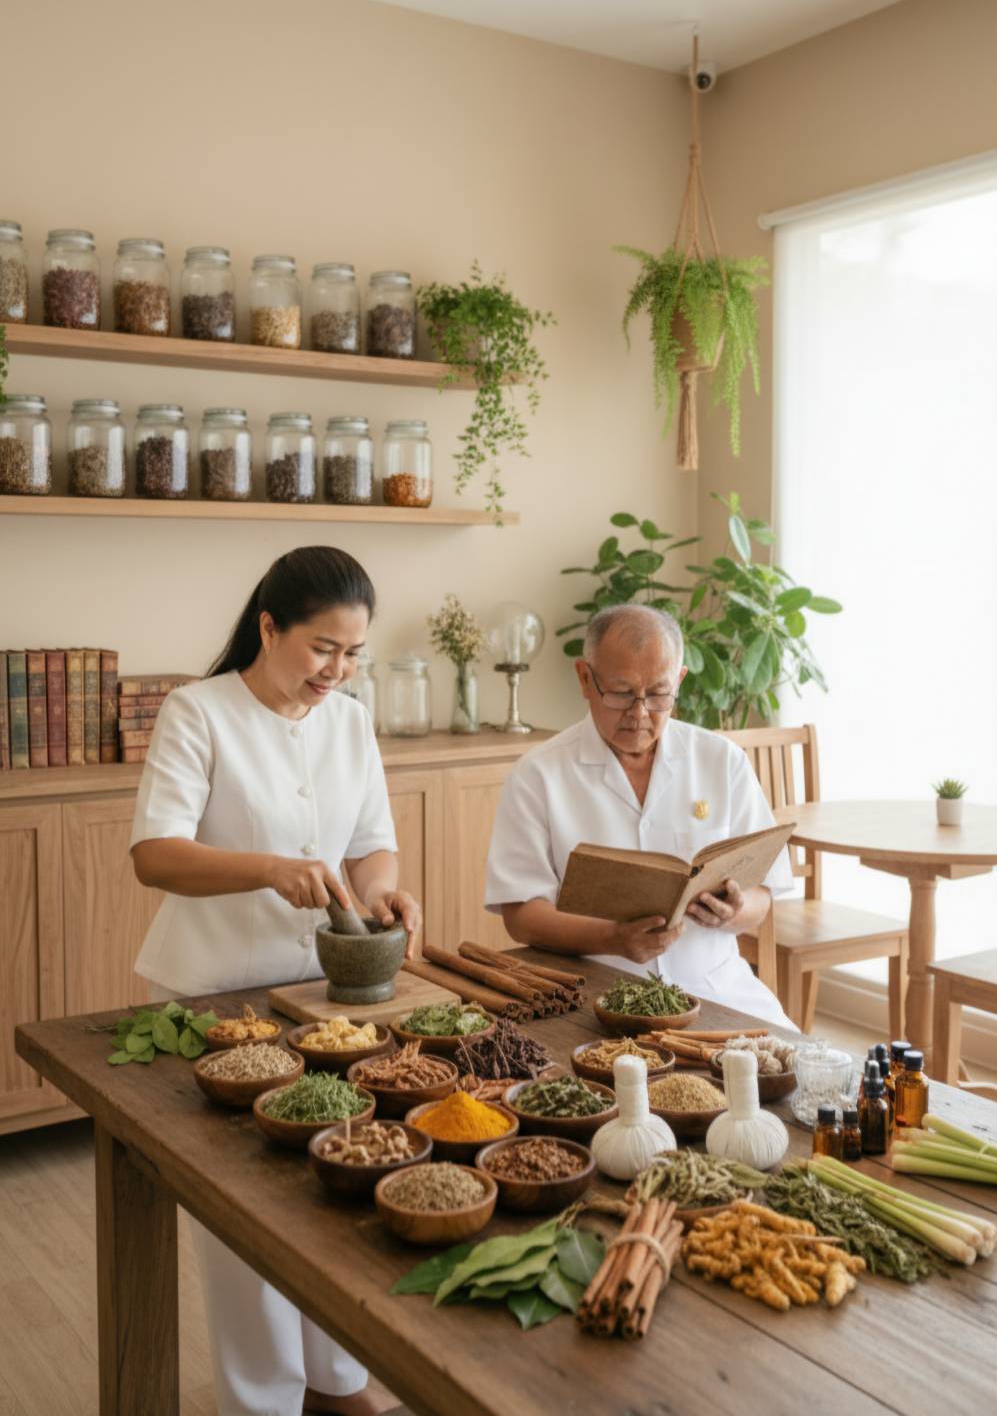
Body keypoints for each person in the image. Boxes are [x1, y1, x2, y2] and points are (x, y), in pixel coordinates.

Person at [131, 545, 418, 1416]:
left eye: (353, 652)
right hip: (213, 996)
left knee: (333, 1186)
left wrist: (382, 894)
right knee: (244, 1214)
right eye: (322, 647)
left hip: (321, 996)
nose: (338, 670)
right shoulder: (198, 710)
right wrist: (266, 867)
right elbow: (154, 855)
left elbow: (371, 841)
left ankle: (335, 1379)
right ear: (269, 626)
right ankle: (262, 1401)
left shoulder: (349, 720)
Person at [484, 604, 796, 1029]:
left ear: (679, 681)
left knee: (805, 1072)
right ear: (585, 679)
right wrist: (612, 940)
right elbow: (521, 916)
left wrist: (735, 911)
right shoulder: (539, 774)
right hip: (594, 997)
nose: (640, 712)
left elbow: (763, 896)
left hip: (715, 989)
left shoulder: (722, 761)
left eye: (658, 694)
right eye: (621, 692)